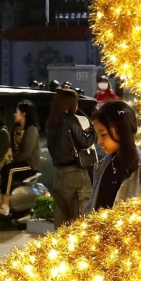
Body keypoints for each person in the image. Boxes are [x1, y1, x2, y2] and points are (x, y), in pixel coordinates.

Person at [84, 99, 141, 214]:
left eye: (103, 134)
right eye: (97, 135)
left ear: (121, 130)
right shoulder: (103, 165)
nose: (99, 141)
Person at [45, 88, 95, 227]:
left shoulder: (51, 123)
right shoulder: (70, 119)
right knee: (81, 220)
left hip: (59, 176)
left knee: (62, 223)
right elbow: (85, 141)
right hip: (76, 175)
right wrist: (91, 132)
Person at [0, 100, 40, 217]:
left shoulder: (32, 129)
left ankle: (5, 205)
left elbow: (26, 152)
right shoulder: (16, 128)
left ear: (24, 114)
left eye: (16, 112)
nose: (14, 114)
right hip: (17, 162)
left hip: (29, 164)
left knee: (9, 170)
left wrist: (12, 161)